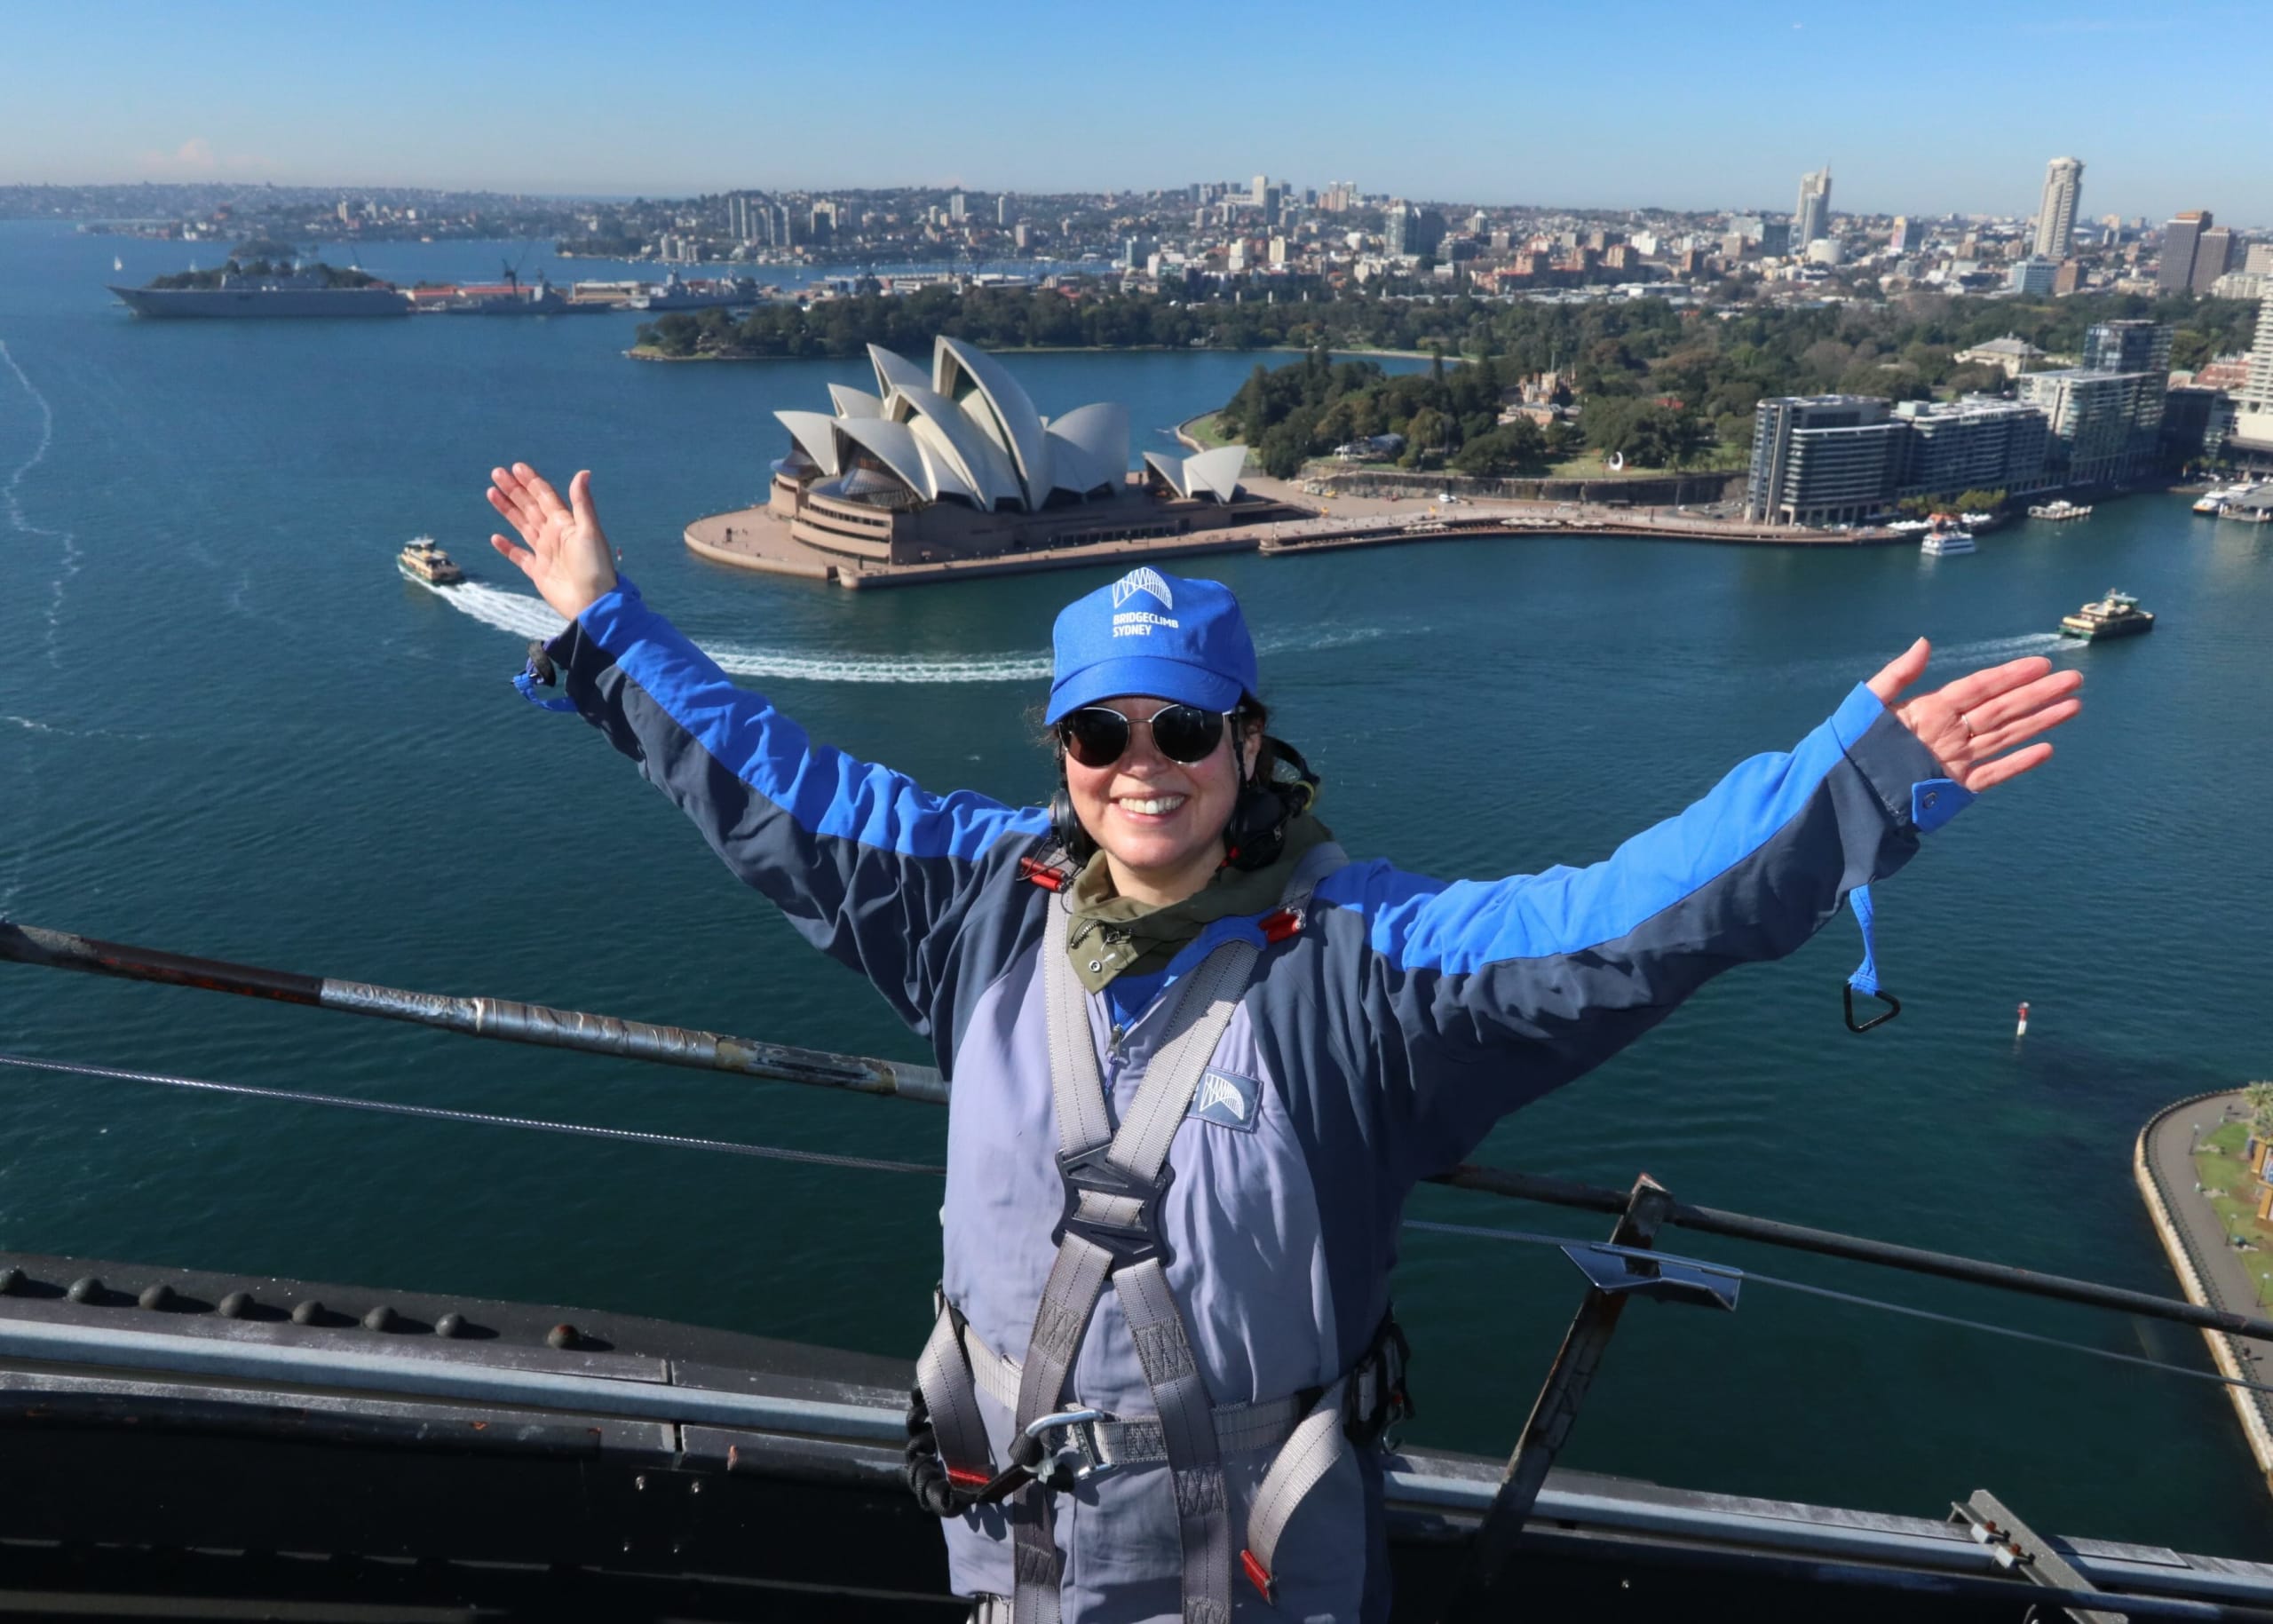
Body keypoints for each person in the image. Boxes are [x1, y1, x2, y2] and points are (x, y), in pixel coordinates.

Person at [485, 463, 2081, 1624]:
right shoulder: (971, 902)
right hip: (1010, 1557)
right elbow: (779, 790)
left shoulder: (1372, 970)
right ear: (1063, 751)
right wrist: (605, 629)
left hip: (1249, 1580)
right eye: (1103, 732)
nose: (1143, 766)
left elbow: (1618, 920)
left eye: (1184, 727)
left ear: (1249, 741)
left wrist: (1846, 788)